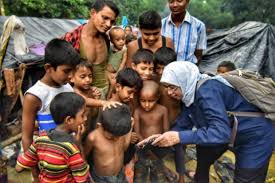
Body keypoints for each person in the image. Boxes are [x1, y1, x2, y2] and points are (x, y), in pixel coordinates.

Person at [138, 61, 273, 183]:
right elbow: (184, 123)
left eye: (173, 87)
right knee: (203, 152)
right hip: (230, 130)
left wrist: (179, 137)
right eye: (167, 87)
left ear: (185, 80)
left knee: (246, 178)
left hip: (255, 137)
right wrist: (161, 137)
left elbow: (220, 133)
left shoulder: (207, 91)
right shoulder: (189, 95)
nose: (169, 92)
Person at [16, 92, 91, 182]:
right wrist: (78, 144)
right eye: (82, 115)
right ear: (69, 120)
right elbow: (82, 179)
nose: (85, 119)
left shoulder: (41, 139)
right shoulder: (70, 148)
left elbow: (18, 168)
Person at [22, 38, 80, 153]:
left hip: (68, 152)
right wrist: (34, 169)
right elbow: (26, 137)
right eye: (66, 71)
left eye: (73, 70)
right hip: (48, 159)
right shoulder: (34, 96)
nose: (71, 76)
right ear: (48, 68)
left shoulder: (67, 88)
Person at [62, 0, 120, 98]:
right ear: (93, 13)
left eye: (112, 21)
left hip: (107, 93)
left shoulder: (106, 39)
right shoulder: (72, 38)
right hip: (82, 98)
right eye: (105, 18)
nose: (109, 24)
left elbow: (106, 67)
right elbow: (62, 73)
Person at [84, 104, 133, 182]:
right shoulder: (93, 138)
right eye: (112, 136)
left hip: (120, 175)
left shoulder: (119, 131)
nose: (116, 139)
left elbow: (124, 148)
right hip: (101, 179)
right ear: (100, 126)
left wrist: (130, 130)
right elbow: (84, 157)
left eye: (119, 136)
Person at [134, 80, 169, 182]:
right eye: (143, 100)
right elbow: (137, 132)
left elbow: (166, 131)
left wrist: (158, 146)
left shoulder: (163, 110)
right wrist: (147, 148)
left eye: (151, 101)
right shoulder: (138, 111)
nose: (146, 105)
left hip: (159, 149)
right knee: (140, 176)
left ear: (157, 97)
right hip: (142, 149)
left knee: (158, 175)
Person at [161, 0, 207, 65]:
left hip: (188, 71)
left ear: (187, 1)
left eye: (179, 1)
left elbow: (198, 56)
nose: (175, 5)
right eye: (171, 1)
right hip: (165, 71)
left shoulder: (199, 26)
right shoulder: (161, 25)